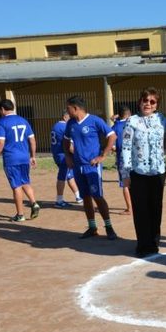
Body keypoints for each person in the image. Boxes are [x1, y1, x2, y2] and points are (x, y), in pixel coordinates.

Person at [120, 87, 166, 258]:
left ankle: (154, 243)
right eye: (145, 100)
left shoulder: (162, 120)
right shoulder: (131, 121)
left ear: (156, 105)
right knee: (141, 210)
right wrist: (125, 174)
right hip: (138, 172)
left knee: (156, 208)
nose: (148, 104)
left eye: (152, 101)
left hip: (158, 171)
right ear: (140, 102)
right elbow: (125, 148)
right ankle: (142, 245)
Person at [63, 95, 118, 240]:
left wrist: (103, 156)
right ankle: (92, 227)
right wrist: (68, 156)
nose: (66, 111)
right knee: (85, 197)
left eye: (68, 108)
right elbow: (65, 140)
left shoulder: (94, 121)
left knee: (97, 196)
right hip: (78, 167)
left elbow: (112, 136)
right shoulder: (71, 124)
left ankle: (109, 227)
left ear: (75, 108)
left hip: (92, 167)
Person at [0, 99, 40, 221]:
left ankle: (20, 215)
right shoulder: (23, 120)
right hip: (24, 157)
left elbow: (1, 142)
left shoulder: (2, 122)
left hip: (11, 158)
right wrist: (32, 156)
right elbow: (32, 140)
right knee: (25, 182)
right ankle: (34, 203)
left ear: (2, 109)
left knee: (16, 186)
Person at [50, 111, 82, 208]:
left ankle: (78, 196)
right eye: (70, 117)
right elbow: (70, 147)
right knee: (62, 177)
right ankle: (59, 200)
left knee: (69, 176)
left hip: (57, 154)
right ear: (64, 117)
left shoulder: (55, 126)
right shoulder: (65, 127)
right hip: (64, 156)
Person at [112, 106, 133, 215]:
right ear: (129, 114)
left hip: (123, 158)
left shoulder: (115, 127)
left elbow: (112, 146)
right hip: (135, 157)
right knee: (137, 183)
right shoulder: (134, 122)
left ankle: (129, 209)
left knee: (125, 184)